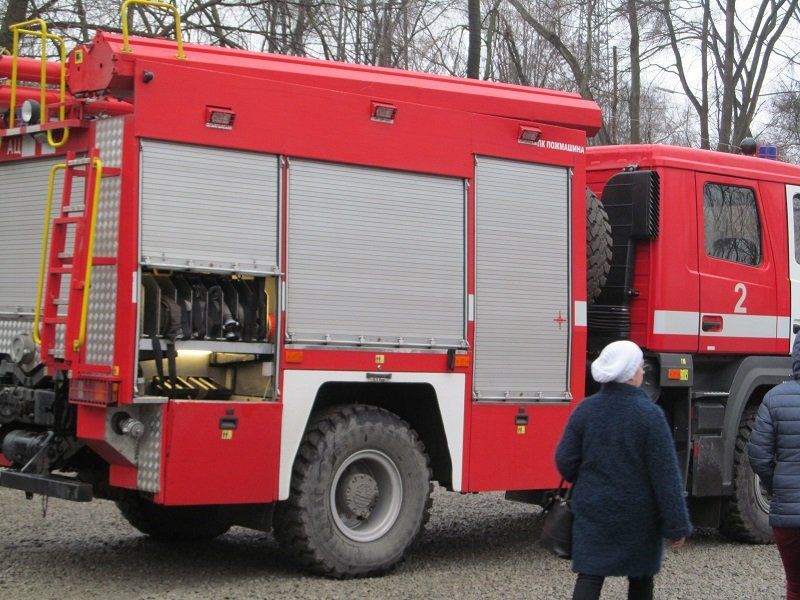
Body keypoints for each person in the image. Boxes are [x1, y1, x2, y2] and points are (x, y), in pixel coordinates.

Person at [555, 340, 692, 600]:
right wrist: (677, 525)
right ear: (630, 374)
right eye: (640, 367)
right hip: (639, 516)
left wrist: (584, 479)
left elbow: (565, 460)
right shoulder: (650, 416)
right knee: (641, 579)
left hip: (593, 509)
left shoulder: (585, 411)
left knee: (590, 575)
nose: (643, 372)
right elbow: (666, 478)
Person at [747, 335, 800, 600]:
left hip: (787, 517)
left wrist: (776, 486)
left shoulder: (774, 398)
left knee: (795, 586)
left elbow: (758, 455)